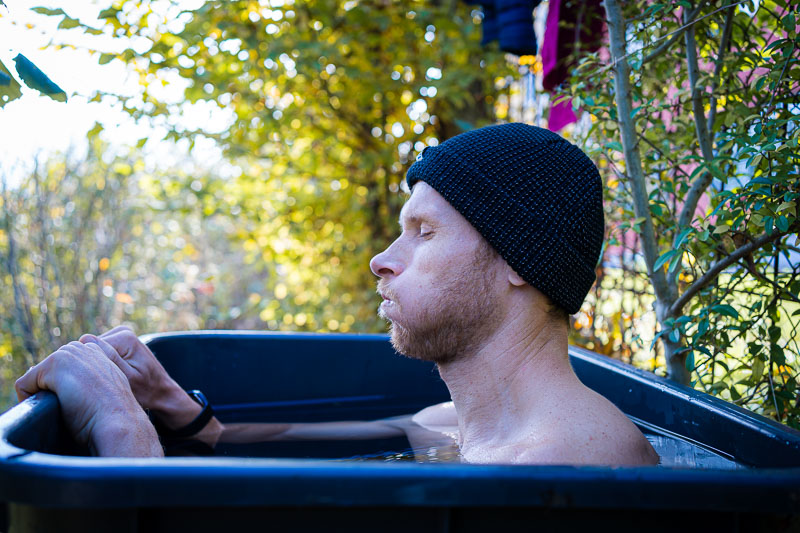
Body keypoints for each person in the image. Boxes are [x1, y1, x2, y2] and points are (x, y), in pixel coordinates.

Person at [15, 123, 659, 465]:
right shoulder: (449, 429)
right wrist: (181, 412)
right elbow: (310, 445)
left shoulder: (574, 465)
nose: (382, 260)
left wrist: (123, 431)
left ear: (519, 260)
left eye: (423, 232)